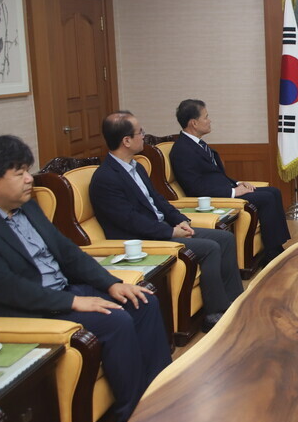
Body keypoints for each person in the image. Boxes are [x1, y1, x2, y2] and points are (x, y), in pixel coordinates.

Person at [0, 135, 171, 422]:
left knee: (142, 301)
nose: (29, 179)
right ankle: (133, 421)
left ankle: (161, 395)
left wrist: (111, 284)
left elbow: (67, 252)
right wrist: (75, 302)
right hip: (28, 311)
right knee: (115, 320)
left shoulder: (28, 206)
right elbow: (6, 288)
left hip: (64, 291)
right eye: (20, 173)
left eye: (28, 170)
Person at [89, 111, 243, 332]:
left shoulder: (137, 167)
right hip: (141, 239)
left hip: (163, 228)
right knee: (209, 248)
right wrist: (170, 232)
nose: (144, 135)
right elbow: (130, 221)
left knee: (225, 238)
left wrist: (181, 221)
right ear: (126, 140)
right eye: (140, 132)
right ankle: (215, 314)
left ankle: (235, 302)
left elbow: (158, 200)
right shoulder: (106, 178)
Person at [170, 99, 290, 262]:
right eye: (206, 117)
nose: (209, 120)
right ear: (194, 123)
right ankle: (271, 253)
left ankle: (276, 246)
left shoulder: (197, 145)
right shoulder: (182, 150)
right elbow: (195, 188)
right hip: (214, 198)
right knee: (266, 197)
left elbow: (215, 174)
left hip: (225, 189)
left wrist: (237, 183)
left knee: (274, 192)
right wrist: (232, 192)